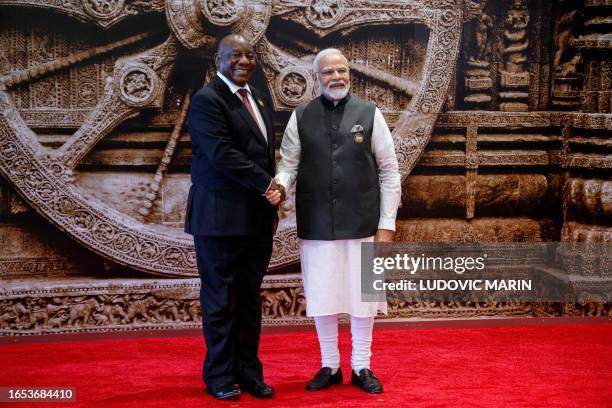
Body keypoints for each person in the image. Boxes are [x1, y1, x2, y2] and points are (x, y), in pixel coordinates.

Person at [268, 48, 401, 394]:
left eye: (342, 70)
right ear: (316, 78)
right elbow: (288, 165)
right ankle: (330, 364)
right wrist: (280, 186)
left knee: (362, 297)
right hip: (316, 223)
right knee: (323, 295)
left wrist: (387, 224)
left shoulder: (370, 114)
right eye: (328, 72)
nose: (336, 77)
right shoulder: (301, 117)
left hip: (365, 223)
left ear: (350, 74)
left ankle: (361, 365)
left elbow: (389, 172)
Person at [185, 33, 284, 400]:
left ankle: (249, 373)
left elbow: (263, 152)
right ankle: (220, 377)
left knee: (248, 299)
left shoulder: (258, 97)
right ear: (218, 60)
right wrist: (269, 184)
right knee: (221, 299)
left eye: (249, 55)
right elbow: (221, 153)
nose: (243, 61)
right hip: (219, 219)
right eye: (234, 55)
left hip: (256, 219)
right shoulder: (207, 101)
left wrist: (270, 195)